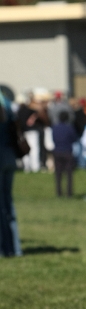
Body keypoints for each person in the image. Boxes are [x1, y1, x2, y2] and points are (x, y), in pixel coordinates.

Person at [0, 91, 22, 257]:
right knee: (8, 203)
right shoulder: (6, 100)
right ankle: (14, 248)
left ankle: (3, 249)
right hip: (9, 155)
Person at [52, 110, 78, 197]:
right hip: (67, 151)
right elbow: (74, 138)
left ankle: (59, 192)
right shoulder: (69, 128)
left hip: (57, 151)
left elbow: (53, 138)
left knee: (58, 173)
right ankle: (69, 192)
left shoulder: (55, 128)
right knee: (69, 174)